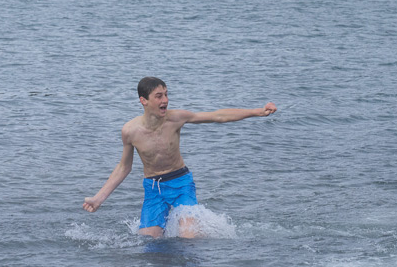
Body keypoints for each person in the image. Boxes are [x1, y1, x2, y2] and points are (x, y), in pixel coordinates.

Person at [83, 76, 277, 238]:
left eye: (166, 95)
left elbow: (218, 116)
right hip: (154, 189)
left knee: (188, 239)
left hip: (181, 183)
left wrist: (258, 112)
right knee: (149, 242)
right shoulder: (130, 131)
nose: (165, 100)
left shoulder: (176, 118)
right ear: (144, 100)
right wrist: (99, 199)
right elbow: (124, 167)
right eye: (158, 96)